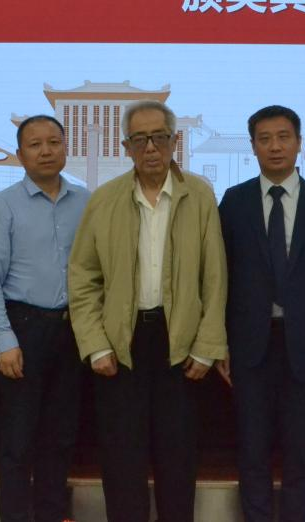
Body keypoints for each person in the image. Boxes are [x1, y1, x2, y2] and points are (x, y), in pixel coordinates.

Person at [68, 100, 228, 522]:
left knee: (179, 460)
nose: (151, 147)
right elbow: (83, 277)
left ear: (175, 141)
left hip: (180, 344)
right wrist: (96, 344)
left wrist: (207, 346)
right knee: (122, 460)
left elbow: (214, 277)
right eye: (140, 139)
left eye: (159, 137)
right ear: (126, 147)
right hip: (122, 344)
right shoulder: (105, 199)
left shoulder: (199, 195)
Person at [217, 105, 305, 522]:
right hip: (249, 348)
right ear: (253, 146)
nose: (274, 146)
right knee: (251, 450)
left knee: (301, 452)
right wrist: (220, 344)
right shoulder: (234, 201)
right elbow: (220, 278)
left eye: (283, 137)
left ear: (299, 143)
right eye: (264, 139)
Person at [0, 115, 91, 522]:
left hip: (72, 329)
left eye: (54, 142)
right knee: (17, 442)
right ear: (20, 154)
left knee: (61, 438)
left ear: (66, 148)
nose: (46, 151)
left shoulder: (86, 201)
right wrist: (3, 339)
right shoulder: (2, 205)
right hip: (22, 328)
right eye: (35, 144)